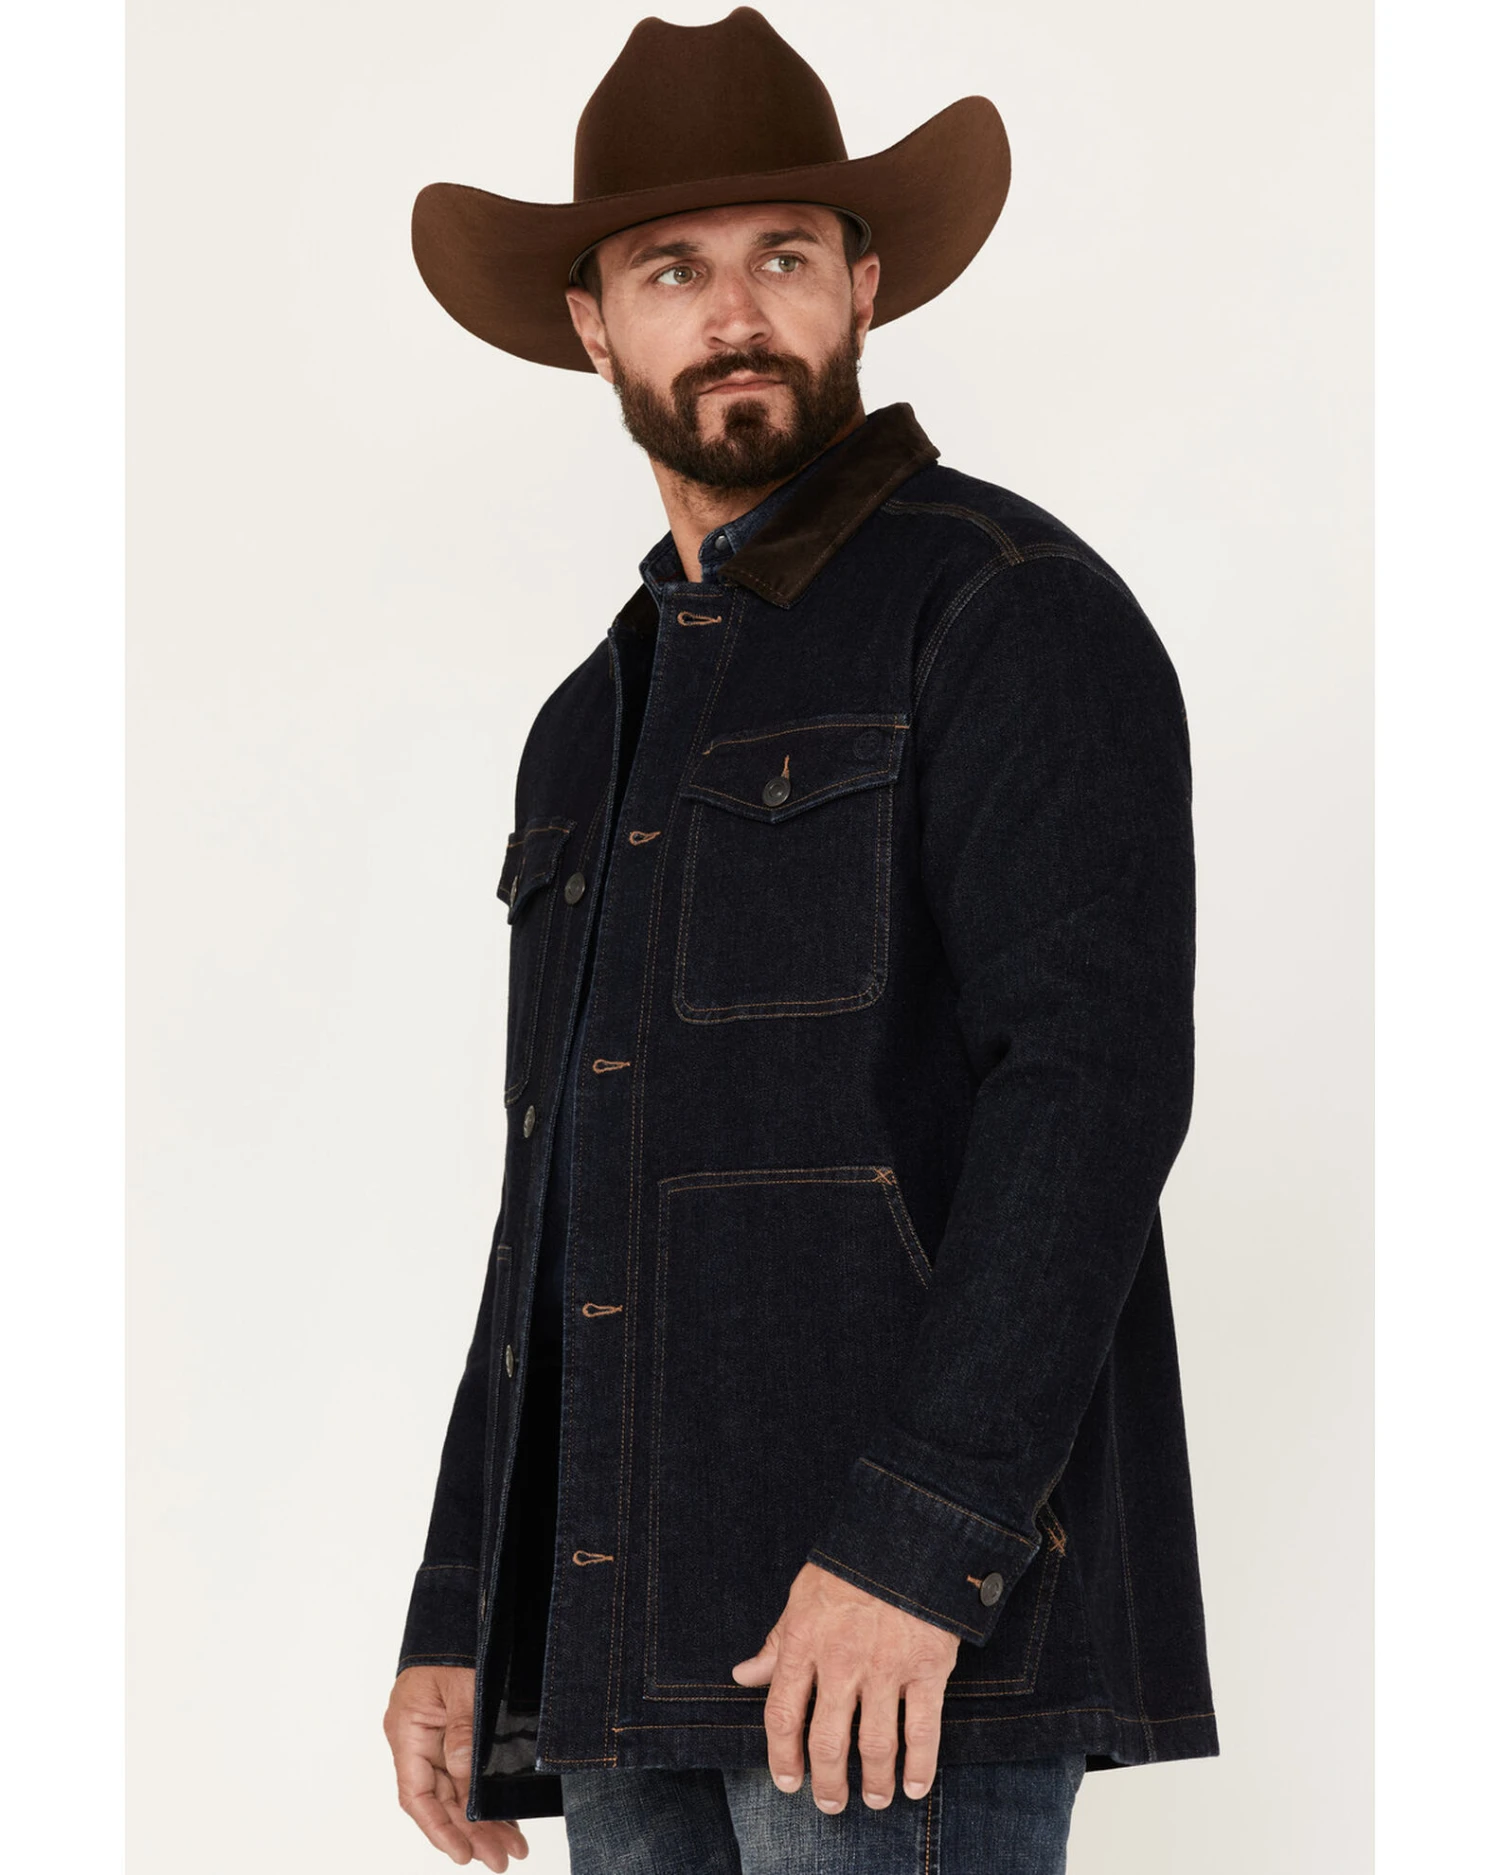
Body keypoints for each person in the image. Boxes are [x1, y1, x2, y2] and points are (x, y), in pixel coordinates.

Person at [382, 10, 1219, 1872]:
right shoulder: (588, 722)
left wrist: (920, 1539)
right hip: (620, 1626)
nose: (736, 313)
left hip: (903, 1641)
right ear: (594, 324)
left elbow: (1093, 1090)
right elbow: (556, 1192)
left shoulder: (1004, 608)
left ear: (866, 285)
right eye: (673, 270)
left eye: (783, 256)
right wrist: (464, 1597)